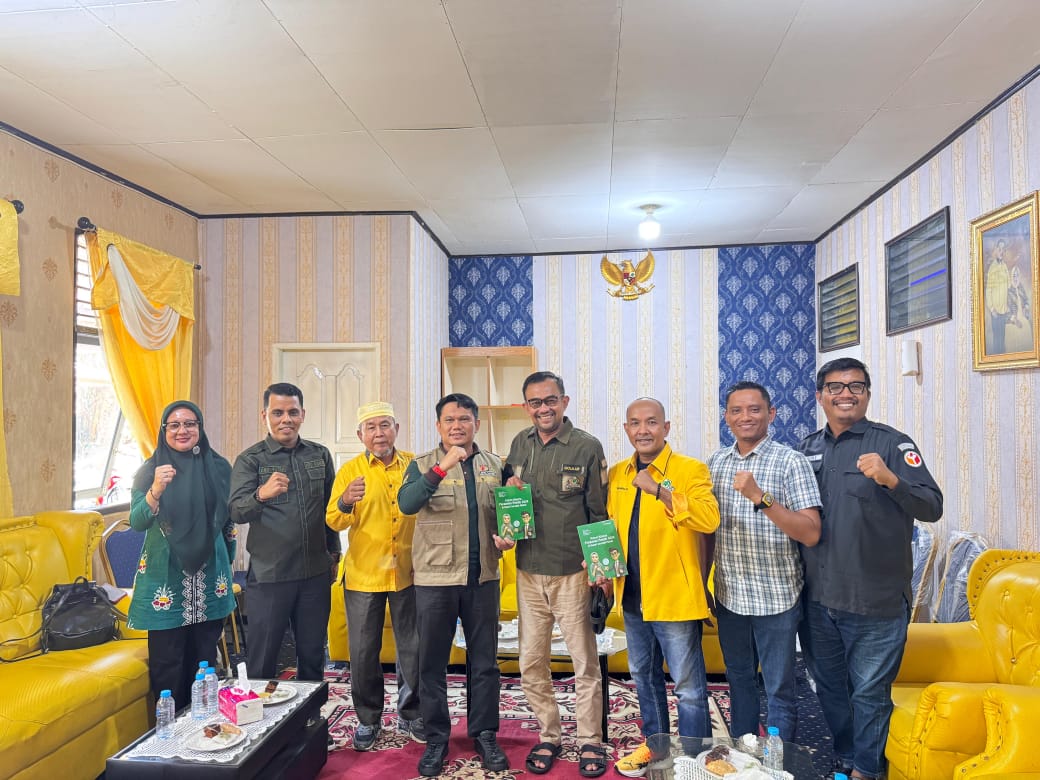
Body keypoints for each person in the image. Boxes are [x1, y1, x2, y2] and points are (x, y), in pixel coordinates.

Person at [797, 358, 943, 780]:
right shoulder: (806, 448)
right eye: (835, 386)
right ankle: (847, 758)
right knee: (829, 688)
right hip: (818, 598)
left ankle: (867, 769)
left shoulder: (894, 445)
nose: (846, 394)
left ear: (867, 394)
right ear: (820, 395)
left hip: (875, 599)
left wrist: (891, 480)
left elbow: (932, 506)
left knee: (869, 694)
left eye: (856, 386)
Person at [498, 371, 610, 778]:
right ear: (525, 406)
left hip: (571, 573)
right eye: (535, 402)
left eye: (550, 400)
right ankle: (549, 734)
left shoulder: (586, 446)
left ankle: (590, 740)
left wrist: (601, 569)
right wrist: (509, 492)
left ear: (564, 402)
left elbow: (598, 512)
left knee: (584, 664)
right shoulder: (519, 444)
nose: (543, 408)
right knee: (531, 662)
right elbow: (509, 500)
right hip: (528, 571)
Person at [607, 398, 721, 778]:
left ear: (666, 427)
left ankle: (695, 759)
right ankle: (655, 747)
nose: (643, 430)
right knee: (644, 676)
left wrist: (659, 490)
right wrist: (600, 568)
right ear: (626, 429)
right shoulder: (618, 473)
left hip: (674, 597)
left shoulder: (689, 469)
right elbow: (609, 527)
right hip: (633, 596)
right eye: (635, 423)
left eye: (652, 422)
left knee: (688, 687)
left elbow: (708, 519)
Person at [398, 393, 508, 777]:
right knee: (431, 664)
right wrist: (442, 468)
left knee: (485, 664)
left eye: (464, 419)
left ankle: (484, 734)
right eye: (449, 420)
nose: (457, 426)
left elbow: (510, 515)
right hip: (435, 579)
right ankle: (436, 738)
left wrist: (510, 537)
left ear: (477, 423)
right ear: (438, 426)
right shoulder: (421, 465)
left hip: (483, 578)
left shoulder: (496, 465)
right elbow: (407, 504)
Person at [706, 382, 821, 743]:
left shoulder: (791, 462)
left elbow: (811, 533)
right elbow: (708, 531)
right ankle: (743, 754)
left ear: (771, 414)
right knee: (739, 681)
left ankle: (776, 763)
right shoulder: (716, 463)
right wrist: (702, 582)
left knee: (779, 690)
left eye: (754, 409)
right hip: (730, 595)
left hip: (777, 597)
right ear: (726, 417)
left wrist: (760, 497)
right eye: (736, 410)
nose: (746, 417)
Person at [325, 401, 423, 751]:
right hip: (364, 576)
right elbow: (334, 520)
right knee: (364, 652)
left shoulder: (415, 465)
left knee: (413, 648)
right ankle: (368, 719)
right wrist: (345, 501)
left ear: (397, 429)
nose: (379, 433)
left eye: (385, 425)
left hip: (409, 573)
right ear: (360, 435)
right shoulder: (350, 471)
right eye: (371, 427)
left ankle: (411, 713)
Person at [228, 382, 340, 681]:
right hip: (270, 575)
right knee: (263, 658)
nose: (285, 419)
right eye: (277, 413)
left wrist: (334, 553)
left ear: (303, 414)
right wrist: (261, 494)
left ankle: (311, 710)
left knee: (313, 656)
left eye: (292, 412)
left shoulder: (319, 455)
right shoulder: (250, 460)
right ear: (264, 415)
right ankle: (259, 712)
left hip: (314, 573)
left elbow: (329, 509)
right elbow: (236, 511)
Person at [128, 400, 237, 705]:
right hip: (165, 579)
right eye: (174, 425)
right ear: (164, 431)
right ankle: (168, 729)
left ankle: (201, 725)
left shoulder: (219, 468)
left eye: (190, 424)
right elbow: (137, 521)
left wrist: (227, 561)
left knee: (205, 663)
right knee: (168, 665)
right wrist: (156, 490)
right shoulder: (149, 471)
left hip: (210, 577)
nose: (182, 431)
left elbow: (227, 523)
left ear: (200, 428)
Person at [985, 238, 1011, 354]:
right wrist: (992, 309)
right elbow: (988, 290)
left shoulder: (1004, 266)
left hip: (1003, 310)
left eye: (1003, 249)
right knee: (997, 340)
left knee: (1002, 338)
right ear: (996, 250)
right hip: (995, 311)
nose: (1001, 251)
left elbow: (1008, 285)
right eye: (999, 249)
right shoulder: (993, 267)